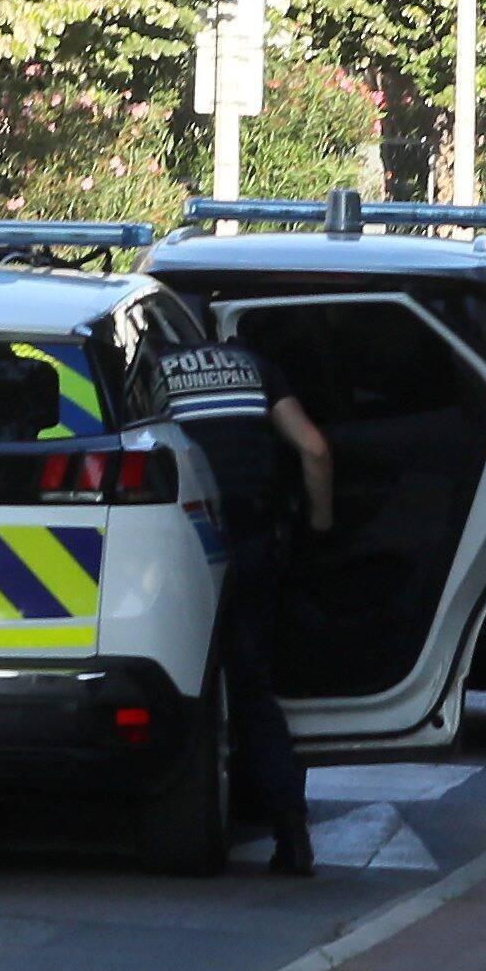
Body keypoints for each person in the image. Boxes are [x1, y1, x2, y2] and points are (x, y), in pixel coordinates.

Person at [151, 325, 338, 873]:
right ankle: (291, 836)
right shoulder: (252, 366)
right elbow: (315, 448)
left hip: (179, 546)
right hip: (254, 544)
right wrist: (319, 529)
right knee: (254, 690)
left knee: (186, 683)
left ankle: (185, 817)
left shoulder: (151, 372)